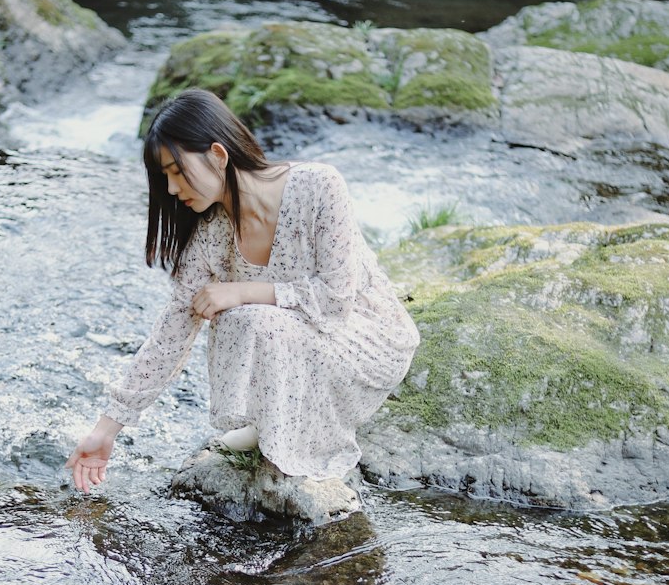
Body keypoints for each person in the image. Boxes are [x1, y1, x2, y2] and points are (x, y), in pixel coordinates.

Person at [66, 88, 419, 494]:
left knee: (248, 313)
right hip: (303, 345)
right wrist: (108, 428)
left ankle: (293, 438)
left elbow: (337, 301)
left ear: (218, 154)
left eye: (177, 171)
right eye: (165, 177)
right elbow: (172, 333)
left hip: (366, 339)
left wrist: (242, 291)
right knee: (234, 312)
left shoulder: (318, 186)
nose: (173, 188)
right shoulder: (211, 235)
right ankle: (271, 422)